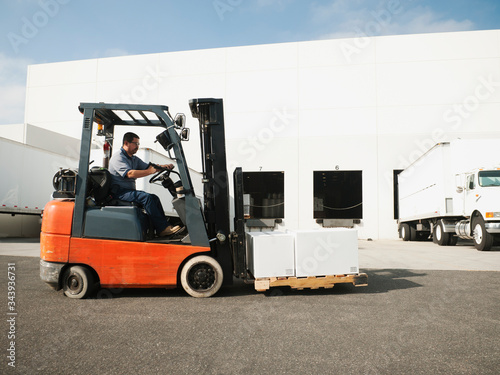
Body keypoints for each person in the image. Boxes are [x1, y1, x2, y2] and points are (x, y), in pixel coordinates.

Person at [108, 132, 182, 237]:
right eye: (135, 144)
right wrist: (150, 172)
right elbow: (130, 173)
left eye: (138, 144)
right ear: (126, 143)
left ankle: (163, 228)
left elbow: (148, 166)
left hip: (128, 192)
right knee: (146, 198)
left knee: (154, 198)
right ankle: (162, 228)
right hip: (120, 192)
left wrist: (164, 167)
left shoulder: (133, 158)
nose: (137, 147)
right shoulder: (118, 158)